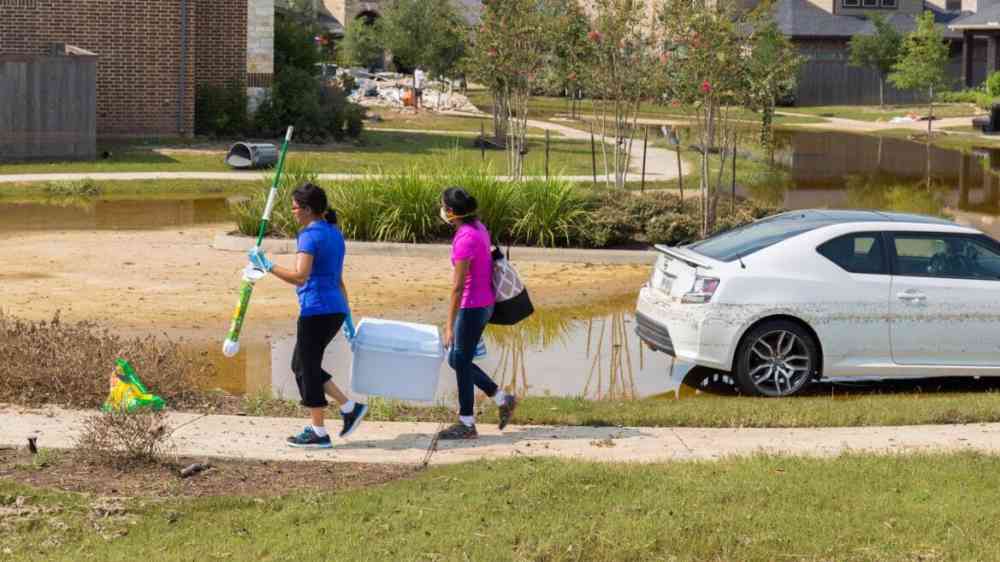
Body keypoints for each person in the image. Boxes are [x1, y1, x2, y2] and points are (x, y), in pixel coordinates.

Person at [248, 183, 368, 449]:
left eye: (294, 208)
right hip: (333, 309)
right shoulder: (334, 233)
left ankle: (319, 431)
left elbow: (300, 277)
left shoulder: (310, 235)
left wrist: (267, 265)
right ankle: (349, 407)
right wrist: (346, 315)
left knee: (306, 368)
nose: (292, 212)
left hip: (316, 311)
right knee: (302, 365)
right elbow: (337, 278)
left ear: (307, 209)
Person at [438, 187, 517, 439]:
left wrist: (449, 325)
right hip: (486, 304)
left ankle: (466, 423)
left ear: (451, 212)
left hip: (472, 306)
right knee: (457, 359)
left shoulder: (464, 239)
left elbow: (458, 286)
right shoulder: (479, 228)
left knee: (459, 360)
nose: (441, 210)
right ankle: (502, 398)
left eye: (443, 206)